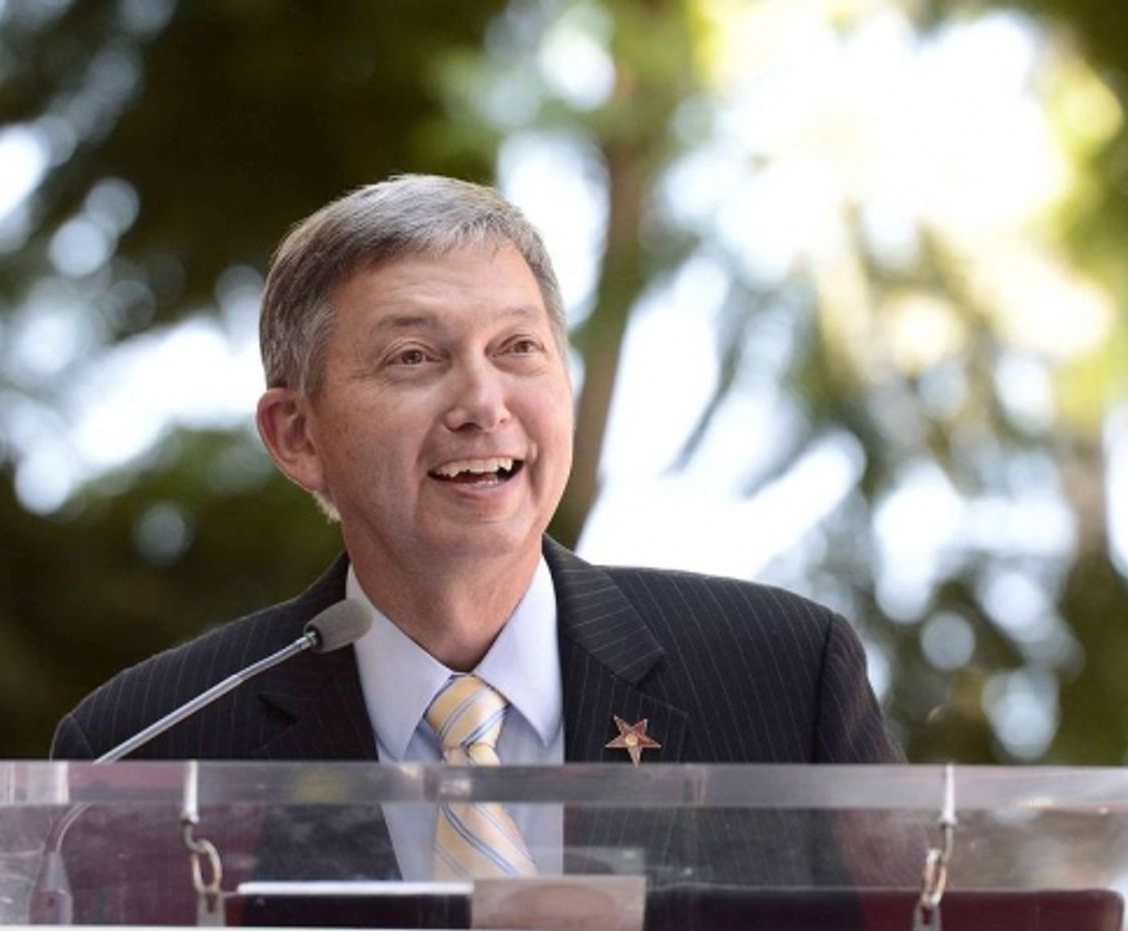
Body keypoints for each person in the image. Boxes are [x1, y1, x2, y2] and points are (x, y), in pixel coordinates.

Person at [51, 175, 903, 889]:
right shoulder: (148, 748)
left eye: (518, 347)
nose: (483, 404)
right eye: (414, 358)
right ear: (297, 436)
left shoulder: (786, 675)